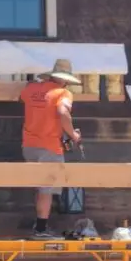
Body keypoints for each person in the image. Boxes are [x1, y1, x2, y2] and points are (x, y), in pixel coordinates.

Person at [19, 58, 81, 239]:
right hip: (49, 147)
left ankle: (39, 224)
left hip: (29, 146)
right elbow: (62, 113)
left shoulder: (30, 89)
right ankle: (40, 229)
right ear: (65, 79)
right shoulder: (63, 93)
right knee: (47, 189)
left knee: (39, 188)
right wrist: (73, 135)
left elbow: (23, 96)